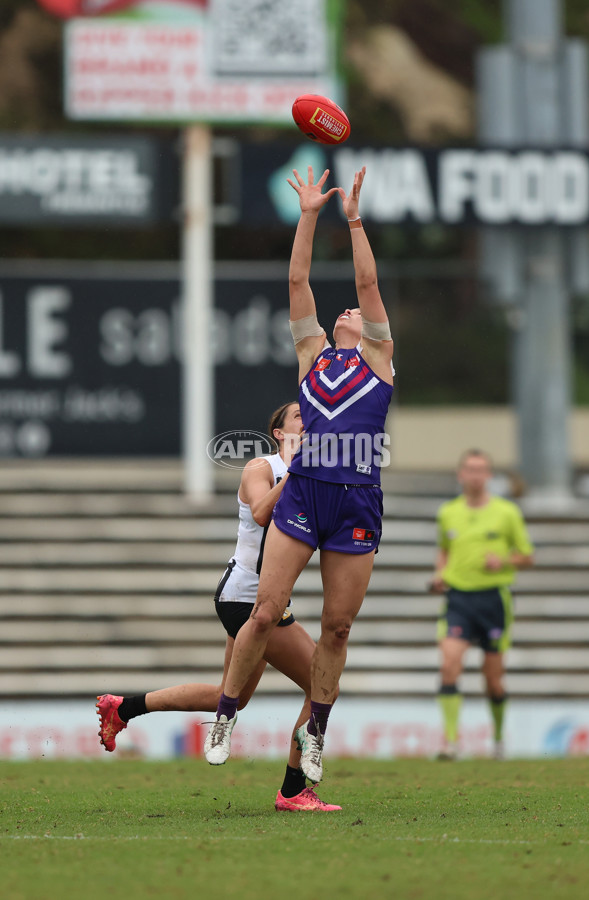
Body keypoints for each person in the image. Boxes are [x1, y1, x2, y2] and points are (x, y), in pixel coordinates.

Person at [203, 165, 394, 784]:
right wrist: (310, 214)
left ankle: (315, 731)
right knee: (266, 610)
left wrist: (356, 218)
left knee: (337, 626)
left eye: (357, 312)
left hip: (357, 500)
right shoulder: (311, 356)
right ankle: (226, 714)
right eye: (344, 312)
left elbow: (366, 278)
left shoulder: (380, 360)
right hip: (307, 492)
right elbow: (296, 278)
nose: (349, 310)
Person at [96, 401, 341, 812]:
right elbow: (264, 514)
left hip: (260, 599)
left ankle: (123, 708)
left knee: (230, 695)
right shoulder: (260, 468)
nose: (306, 418)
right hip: (246, 599)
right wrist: (299, 471)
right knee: (322, 683)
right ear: (279, 433)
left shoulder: (314, 475)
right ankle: (294, 790)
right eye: (297, 415)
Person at [429, 448, 534, 760]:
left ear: (489, 475)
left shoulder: (507, 513)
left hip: (493, 600)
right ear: (461, 475)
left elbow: (526, 556)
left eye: (481, 470)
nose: (475, 475)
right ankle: (450, 742)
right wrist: (440, 574)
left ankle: (499, 739)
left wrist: (501, 560)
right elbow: (444, 550)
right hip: (458, 598)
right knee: (449, 665)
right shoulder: (448, 512)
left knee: (493, 679)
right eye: (470, 470)